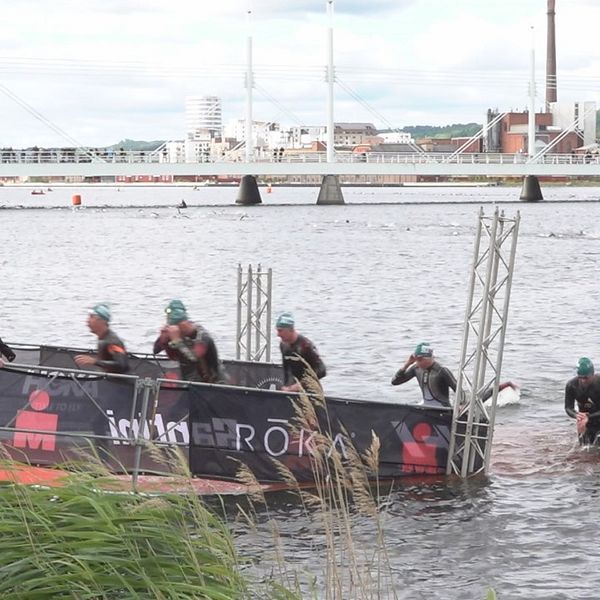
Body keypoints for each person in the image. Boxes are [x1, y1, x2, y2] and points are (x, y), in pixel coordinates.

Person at [392, 342, 514, 408]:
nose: (417, 362)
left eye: (419, 359)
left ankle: (504, 386)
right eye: (416, 359)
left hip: (443, 409)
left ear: (429, 358)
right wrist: (407, 364)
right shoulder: (416, 369)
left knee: (475, 401)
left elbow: (459, 390)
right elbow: (395, 382)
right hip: (427, 407)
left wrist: (461, 405)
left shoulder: (441, 371)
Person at [153, 299, 225, 383]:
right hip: (189, 384)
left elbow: (194, 358)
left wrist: (177, 341)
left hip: (212, 384)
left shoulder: (202, 336)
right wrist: (163, 339)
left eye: (176, 327)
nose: (174, 331)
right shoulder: (175, 334)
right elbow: (156, 350)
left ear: (184, 323)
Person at [276, 312, 326, 393]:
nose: (278, 334)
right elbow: (286, 369)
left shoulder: (305, 345)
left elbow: (322, 370)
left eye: (280, 331)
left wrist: (300, 385)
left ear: (290, 330)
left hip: (311, 391)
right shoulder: (283, 345)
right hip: (292, 391)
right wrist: (287, 387)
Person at [74, 303, 129, 374]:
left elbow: (122, 365)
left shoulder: (113, 342)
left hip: (120, 382)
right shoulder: (102, 337)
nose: (87, 321)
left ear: (101, 321)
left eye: (91, 317)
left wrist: (95, 361)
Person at [564, 357, 600, 445]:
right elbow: (568, 407)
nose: (583, 381)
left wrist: (589, 416)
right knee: (584, 448)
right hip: (585, 419)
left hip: (595, 415)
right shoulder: (572, 385)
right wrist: (576, 415)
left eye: (586, 378)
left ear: (592, 374)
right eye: (580, 377)